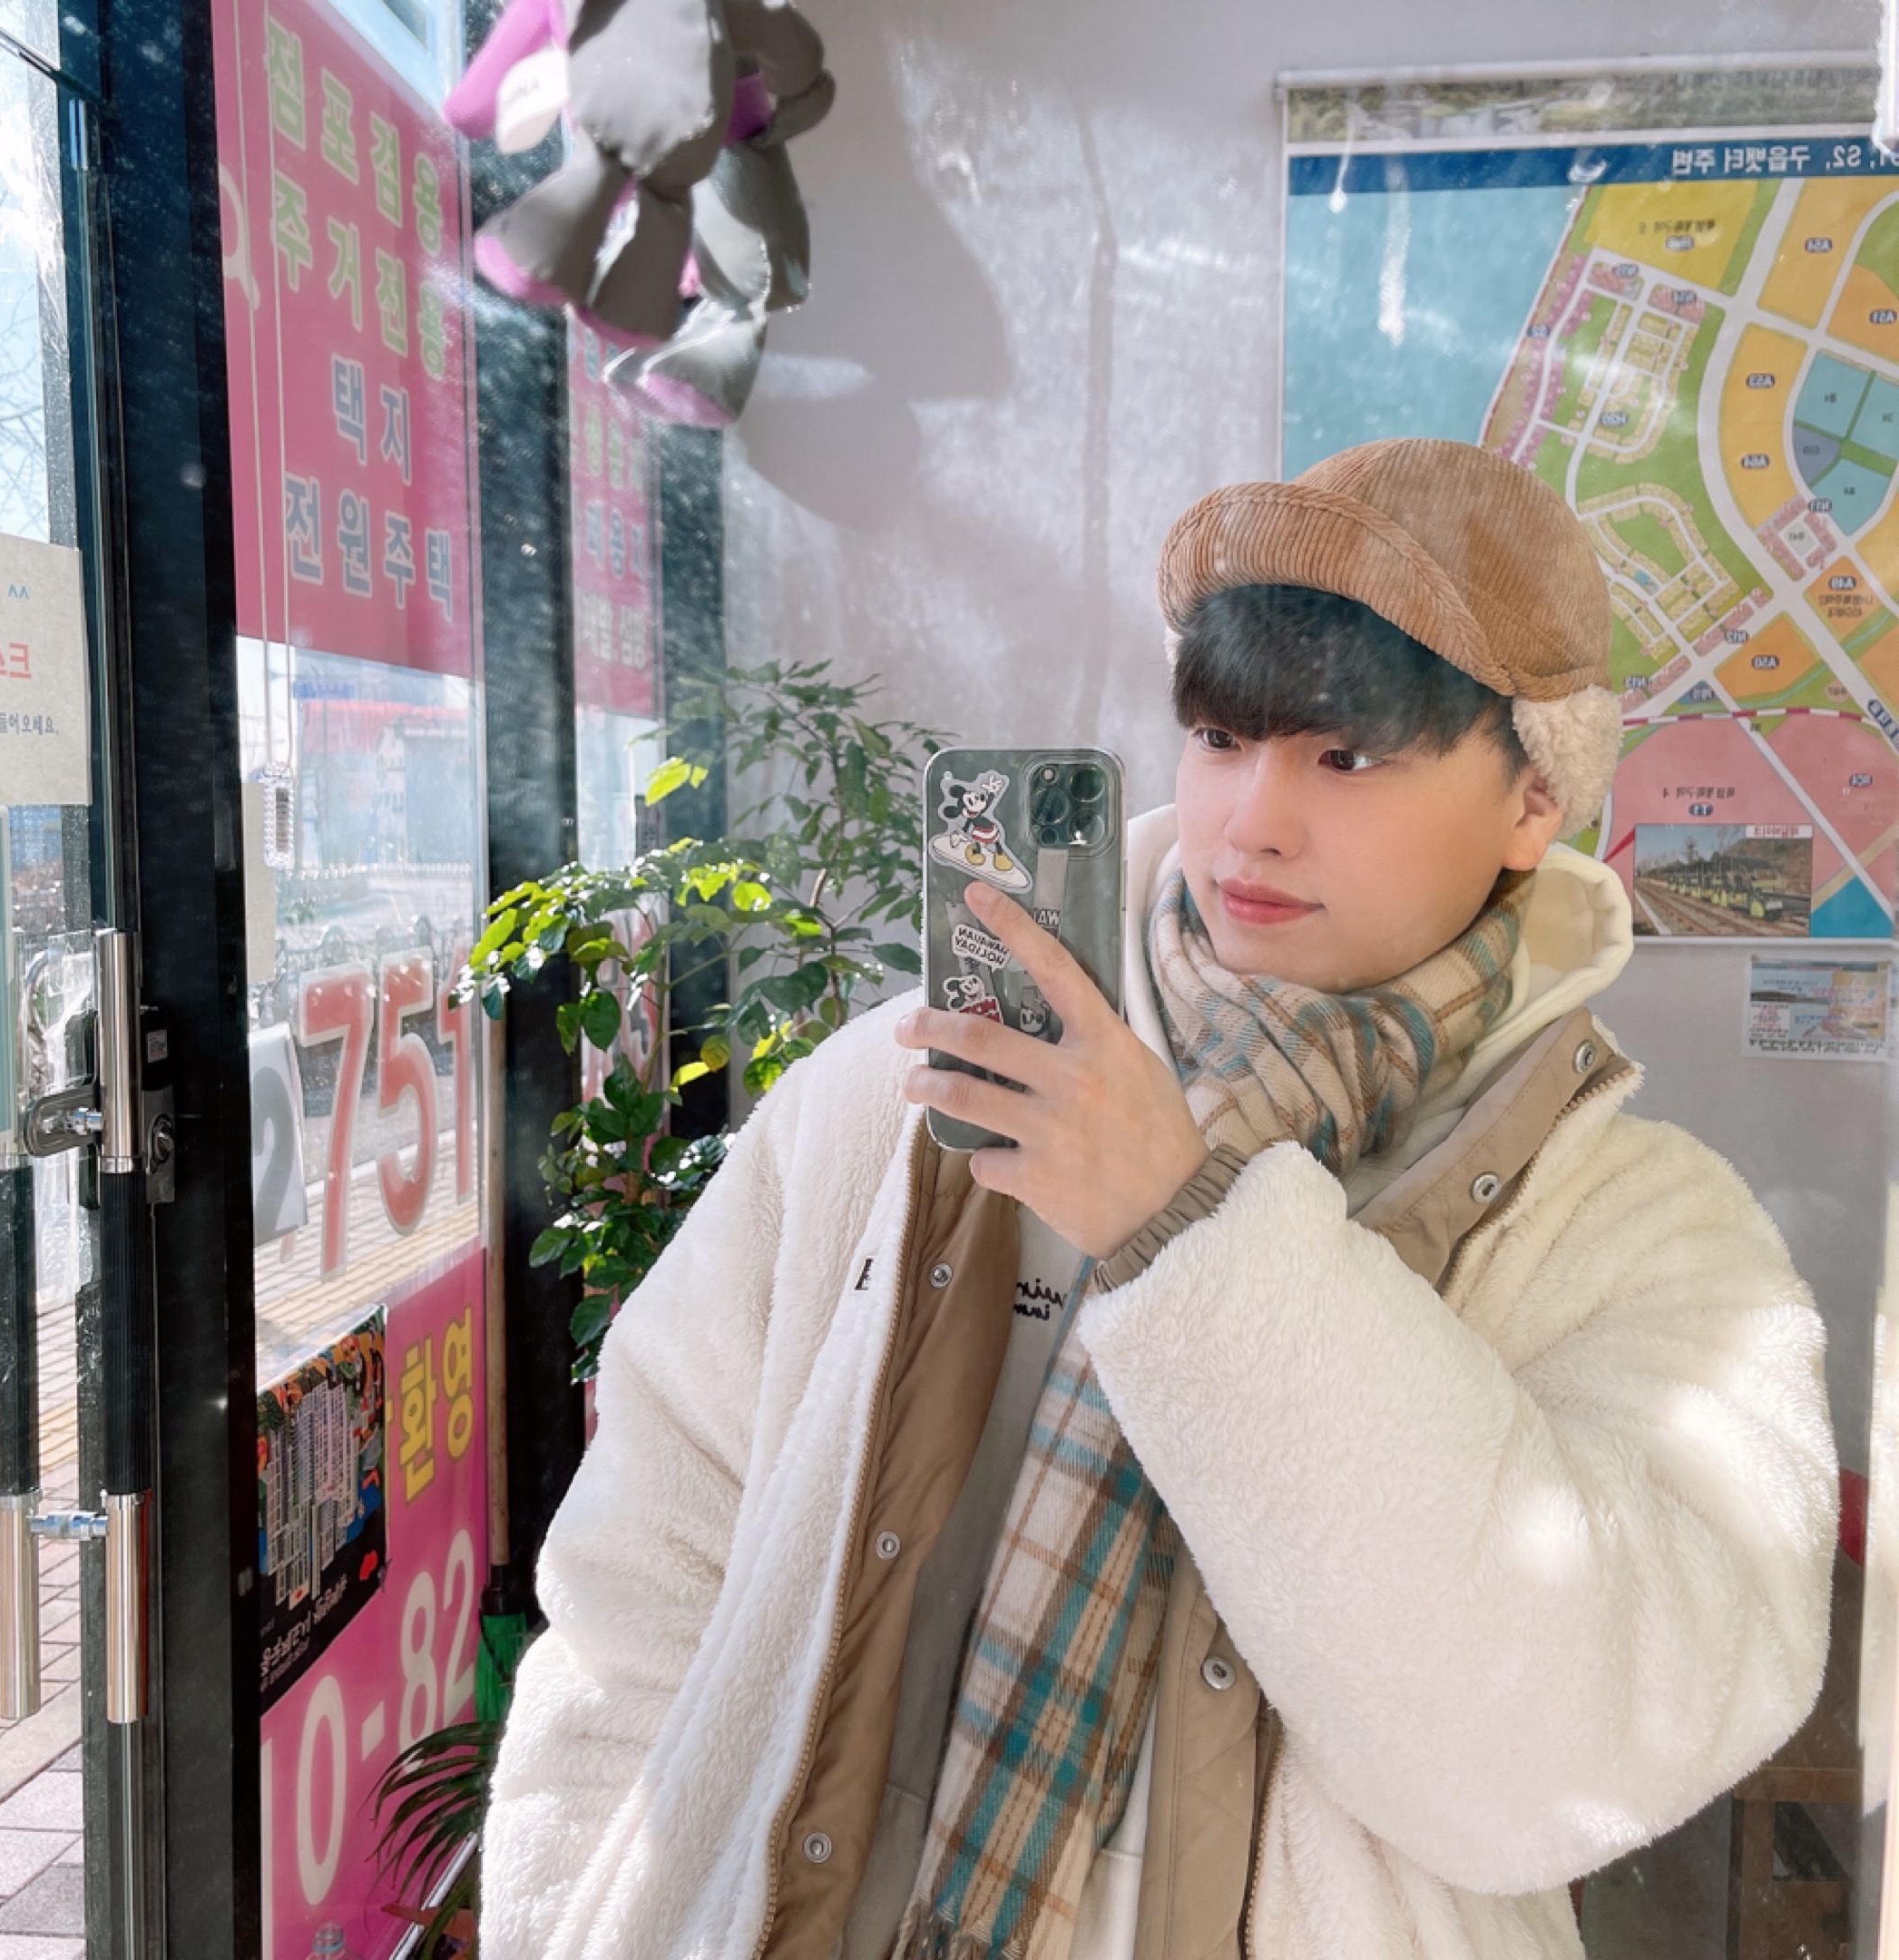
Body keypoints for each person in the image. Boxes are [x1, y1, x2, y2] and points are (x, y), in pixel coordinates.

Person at [480, 438, 1837, 1960]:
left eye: (1346, 757)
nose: (1252, 820)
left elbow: (1575, 1758)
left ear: (1534, 801)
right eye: (1220, 736)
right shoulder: (905, 1087)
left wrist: (1185, 1229)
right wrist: (577, 1915)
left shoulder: (1647, 1230)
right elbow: (640, 1580)